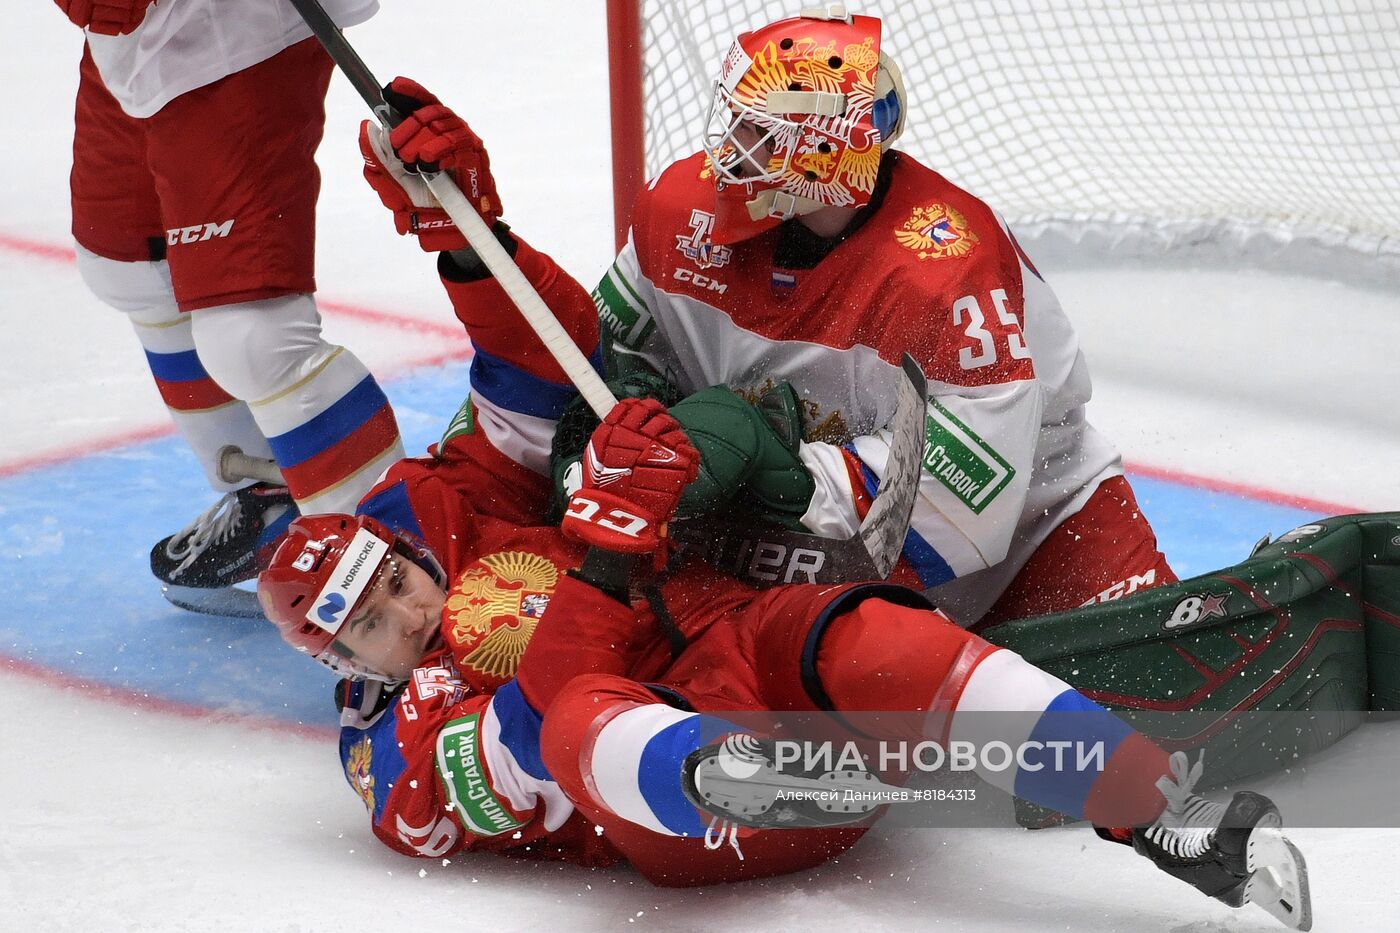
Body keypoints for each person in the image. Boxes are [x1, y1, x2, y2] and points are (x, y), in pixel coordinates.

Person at [253, 106, 1310, 927]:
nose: (401, 607)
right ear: (342, 662)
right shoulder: (395, 756)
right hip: (688, 822)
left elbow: (529, 375)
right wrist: (609, 565)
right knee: (582, 729)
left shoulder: (444, 515)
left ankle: (1170, 819)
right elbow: (541, 720)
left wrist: (473, 244)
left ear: (395, 543)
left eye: (391, 577)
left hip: (730, 633)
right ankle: (733, 773)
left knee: (867, 633)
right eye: (367, 624)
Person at [587, 5, 1174, 627]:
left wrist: (774, 471)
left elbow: (952, 516)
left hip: (1042, 537)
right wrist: (631, 446)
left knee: (1170, 706)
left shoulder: (944, 274)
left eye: (758, 134)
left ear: (823, 154)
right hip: (794, 558)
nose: (729, 149)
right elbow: (611, 359)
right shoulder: (679, 214)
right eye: (735, 124)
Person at [54, 0, 405, 598]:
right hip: (132, 47)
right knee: (132, 267)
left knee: (253, 338)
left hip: (238, 30)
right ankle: (271, 502)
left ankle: (401, 586)